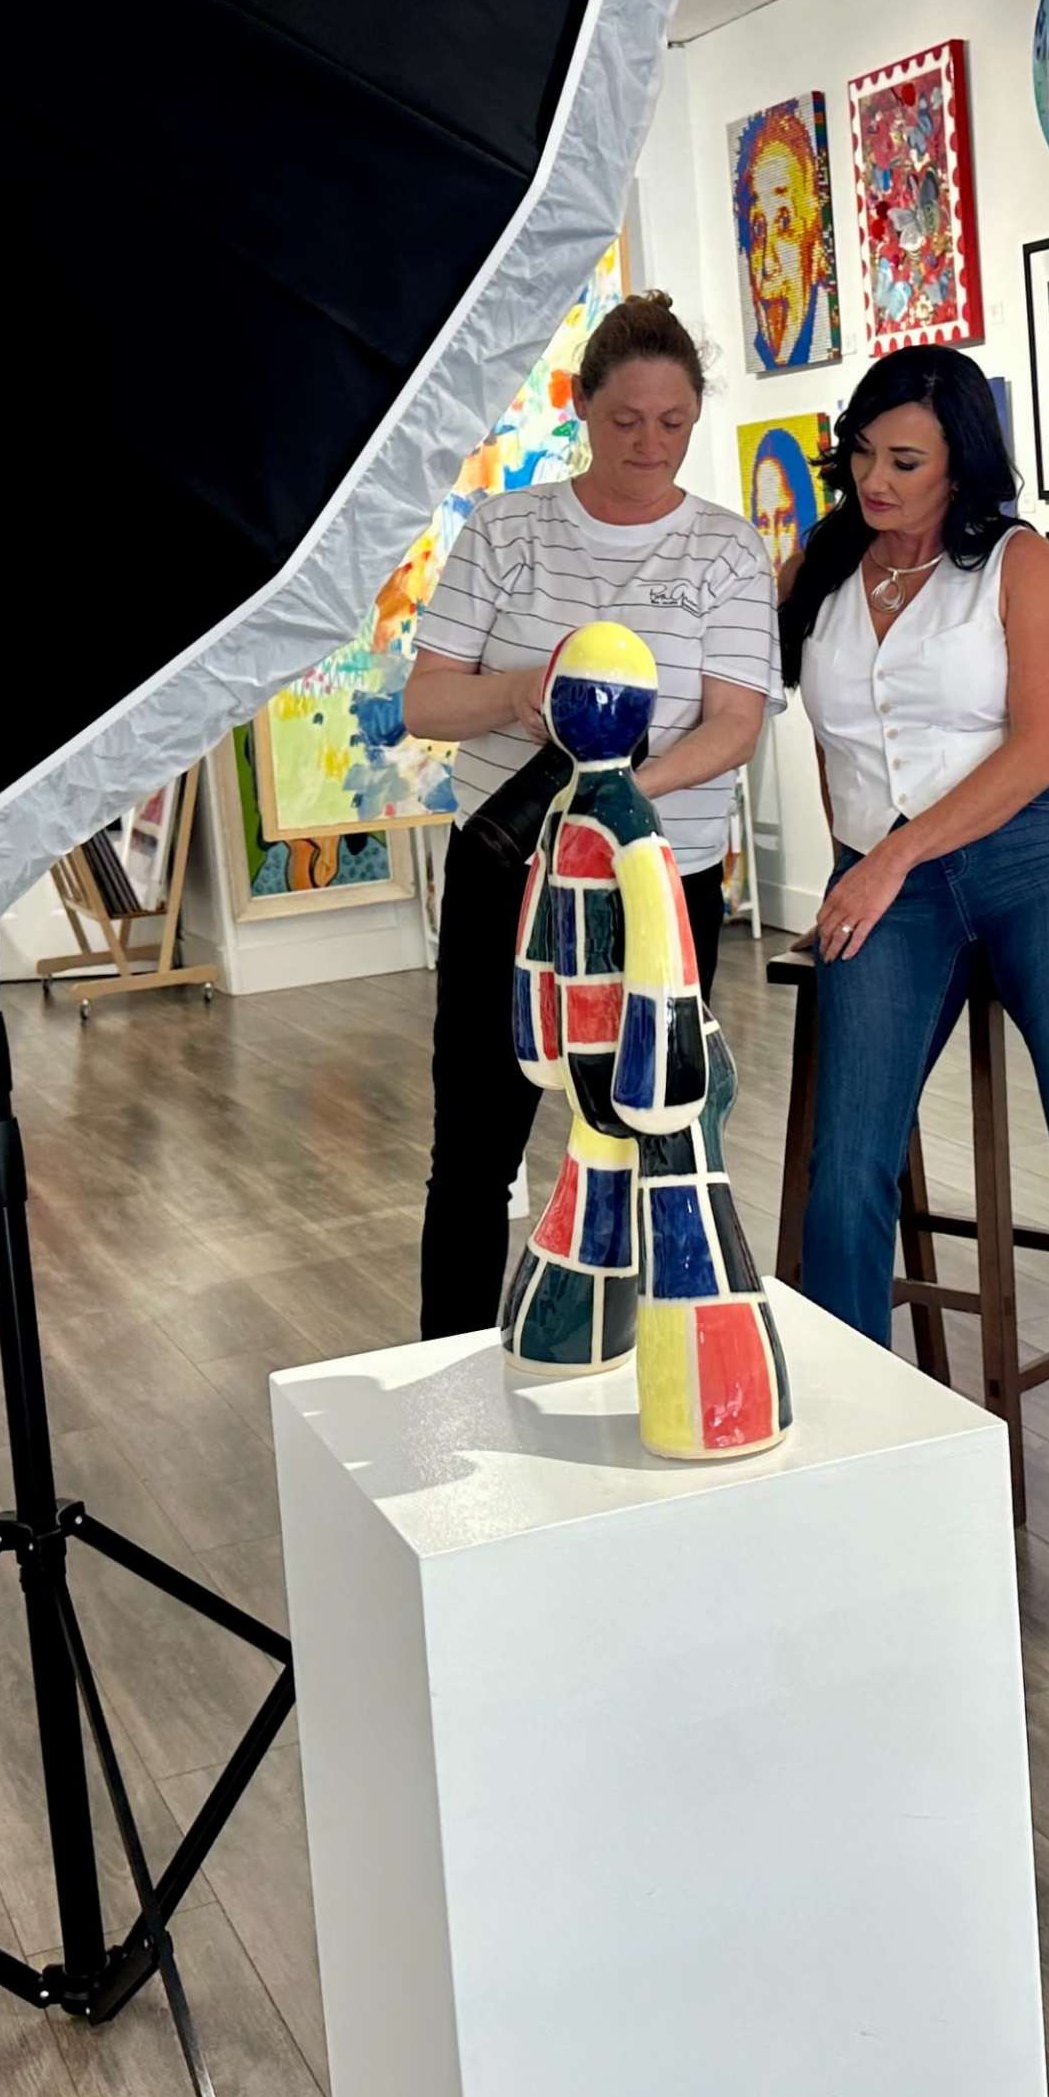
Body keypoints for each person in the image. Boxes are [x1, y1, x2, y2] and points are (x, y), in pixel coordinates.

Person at [783, 345, 1049, 1624]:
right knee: (845, 1167)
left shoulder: (1013, 560)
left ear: (961, 460)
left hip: (1031, 858)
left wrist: (890, 861)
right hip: (889, 877)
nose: (875, 479)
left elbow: (1038, 746)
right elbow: (832, 748)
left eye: (904, 459)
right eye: (863, 453)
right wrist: (853, 869)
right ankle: (852, 1479)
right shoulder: (818, 572)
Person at [402, 292, 778, 1340]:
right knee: (474, 1147)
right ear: (580, 406)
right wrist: (525, 693)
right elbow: (427, 700)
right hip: (505, 874)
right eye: (626, 422)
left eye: (673, 424)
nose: (650, 445)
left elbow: (734, 727)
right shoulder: (507, 529)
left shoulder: (726, 551)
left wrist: (607, 803)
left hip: (660, 883)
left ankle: (651, 1361)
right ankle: (454, 1377)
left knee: (657, 1132)